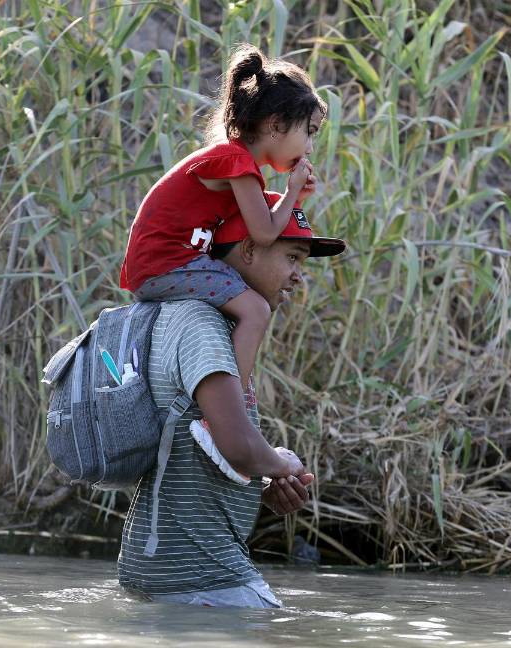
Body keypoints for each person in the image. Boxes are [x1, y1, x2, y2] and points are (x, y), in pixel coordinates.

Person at [117, 203, 347, 609]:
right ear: (248, 249)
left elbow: (198, 444)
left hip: (168, 568)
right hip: (198, 572)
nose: (298, 274)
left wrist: (263, 483)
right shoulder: (201, 325)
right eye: (291, 258)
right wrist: (283, 464)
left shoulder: (214, 325)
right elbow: (237, 444)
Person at [119, 43, 327, 399]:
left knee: (243, 298)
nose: (309, 147)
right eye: (308, 131)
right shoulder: (236, 163)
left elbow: (253, 225)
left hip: (166, 262)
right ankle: (235, 401)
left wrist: (296, 197)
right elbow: (263, 234)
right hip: (166, 263)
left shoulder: (234, 163)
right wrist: (291, 192)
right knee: (256, 310)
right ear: (276, 125)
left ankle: (226, 388)